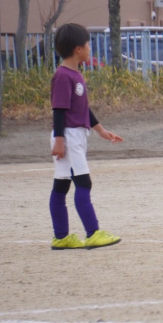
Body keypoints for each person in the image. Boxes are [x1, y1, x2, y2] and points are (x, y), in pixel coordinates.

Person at [49, 23, 124, 249]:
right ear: (78, 49)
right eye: (88, 44)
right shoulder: (63, 76)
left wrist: (101, 130)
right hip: (68, 137)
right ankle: (93, 233)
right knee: (83, 182)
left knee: (62, 185)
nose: (90, 48)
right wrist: (60, 141)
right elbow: (59, 110)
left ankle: (61, 238)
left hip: (74, 135)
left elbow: (82, 109)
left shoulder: (75, 74)